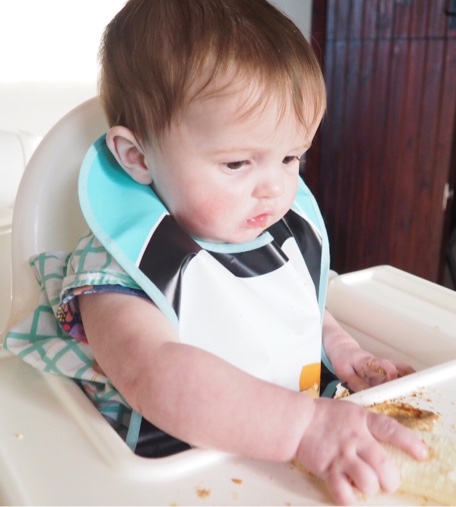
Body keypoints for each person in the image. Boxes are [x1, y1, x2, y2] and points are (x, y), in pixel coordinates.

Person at [4, 0, 427, 503]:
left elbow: (289, 310)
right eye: (237, 164)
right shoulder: (117, 271)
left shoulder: (274, 234)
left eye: (290, 156)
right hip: (173, 481)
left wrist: (343, 350)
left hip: (287, 466)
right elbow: (155, 373)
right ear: (138, 157)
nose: (274, 188)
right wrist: (302, 428)